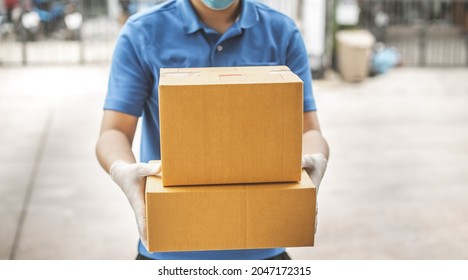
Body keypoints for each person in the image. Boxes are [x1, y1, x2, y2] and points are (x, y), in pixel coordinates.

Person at [96, 0, 329, 260]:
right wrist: (122, 171)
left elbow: (309, 130)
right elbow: (113, 131)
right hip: (170, 248)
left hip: (263, 248)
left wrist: (314, 163)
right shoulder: (142, 32)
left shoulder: (281, 31)